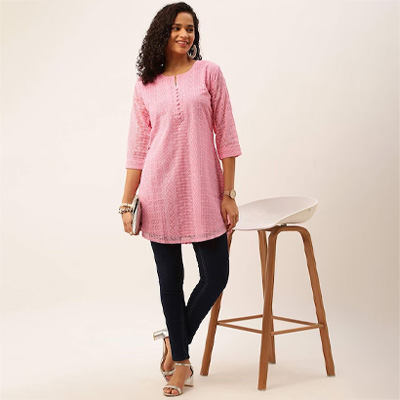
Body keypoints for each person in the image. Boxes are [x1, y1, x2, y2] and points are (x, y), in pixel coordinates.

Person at [119, 2, 242, 397]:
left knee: (216, 275)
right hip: (159, 191)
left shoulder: (209, 73)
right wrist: (126, 203)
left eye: (190, 29)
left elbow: (227, 135)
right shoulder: (145, 85)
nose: (184, 35)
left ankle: (175, 340)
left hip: (205, 189)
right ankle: (182, 366)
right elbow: (138, 149)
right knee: (170, 281)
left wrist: (228, 194)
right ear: (162, 32)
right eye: (176, 28)